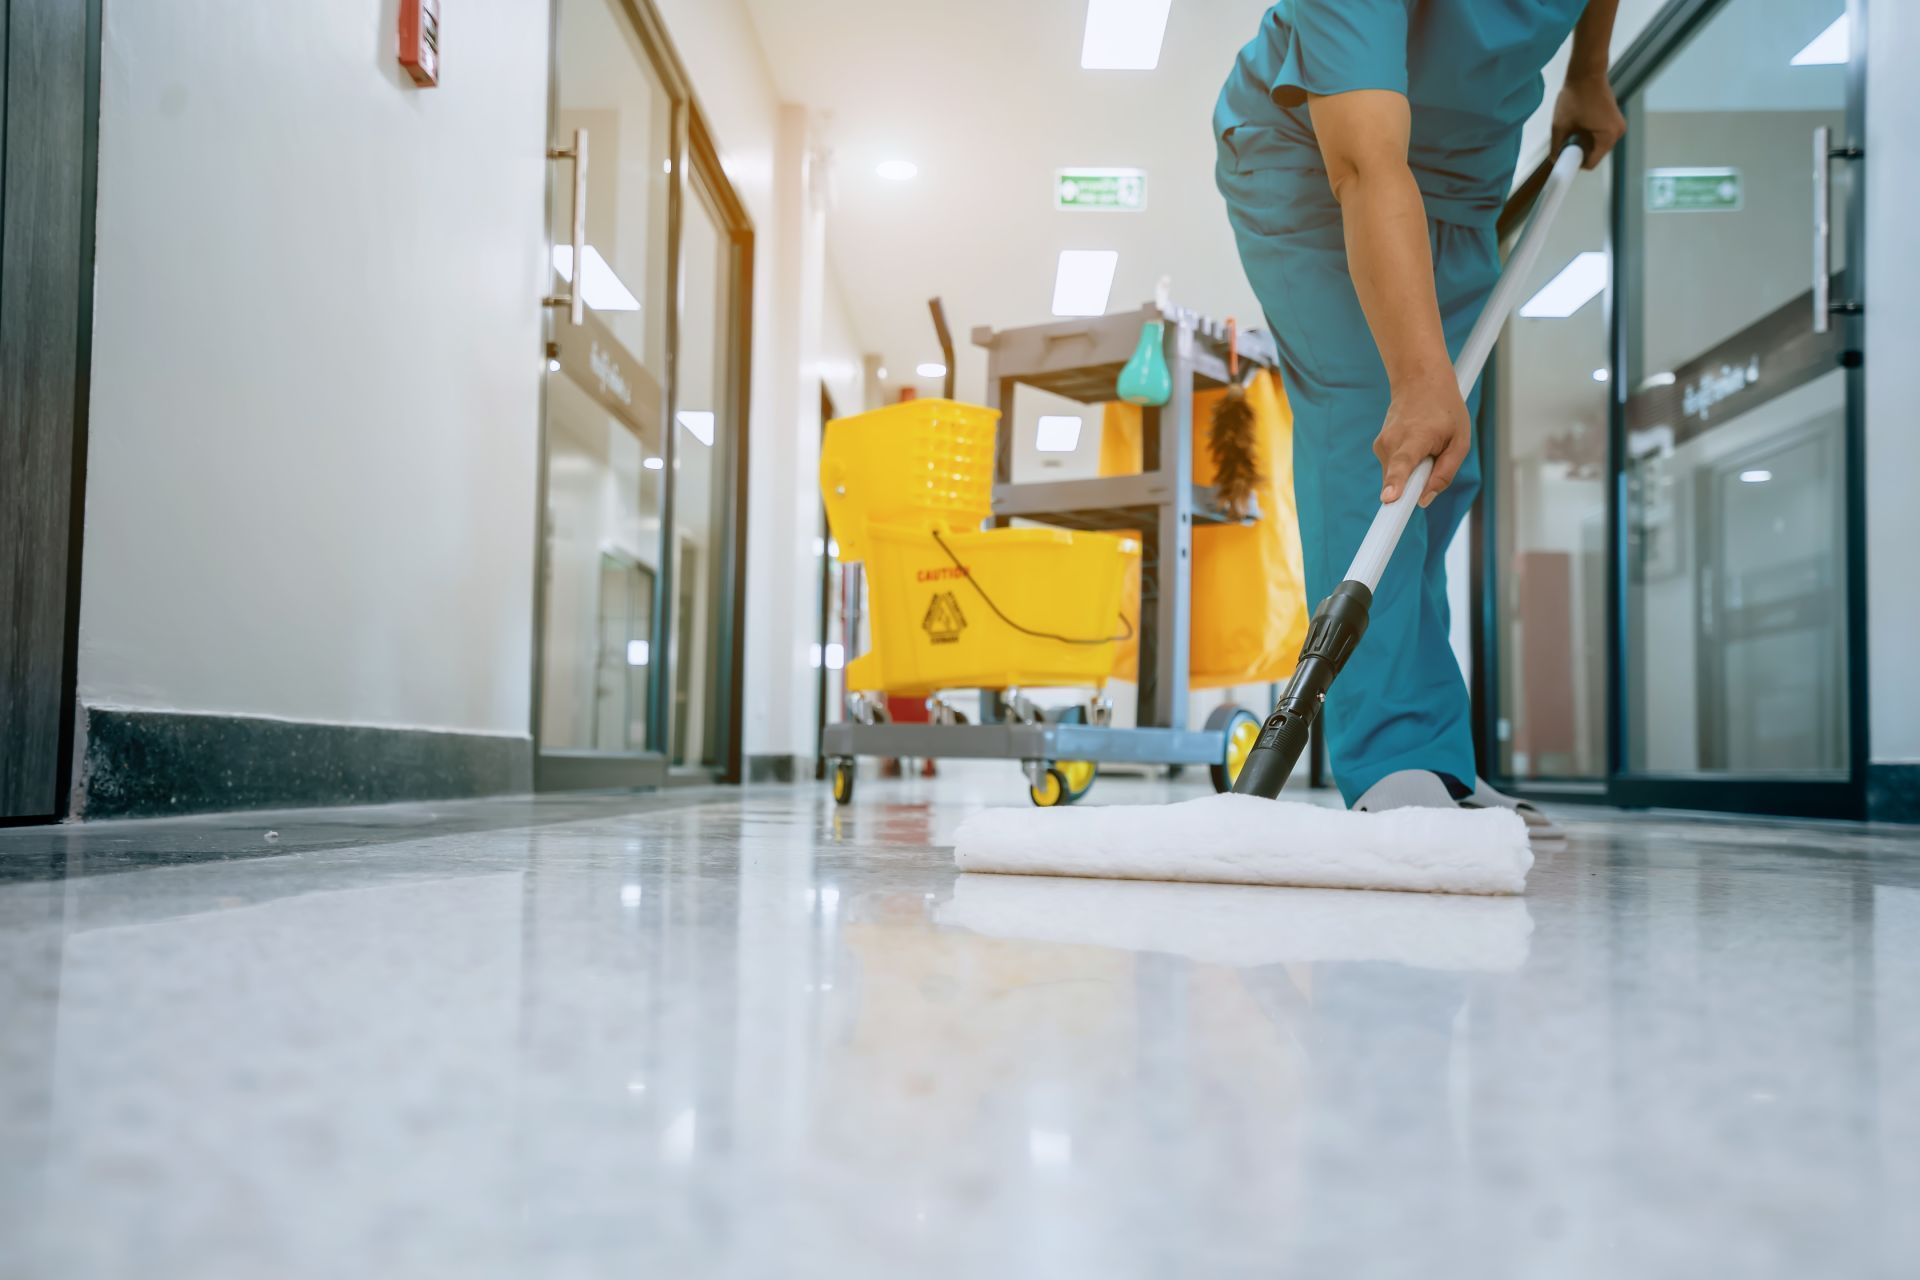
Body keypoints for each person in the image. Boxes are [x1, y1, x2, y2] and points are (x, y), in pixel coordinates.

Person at [1215, 0, 1623, 831]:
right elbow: (1365, 169)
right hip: (1313, 160)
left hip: (1465, 182)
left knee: (1444, 471)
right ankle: (1395, 762)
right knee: (1380, 437)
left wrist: (1587, 73)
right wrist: (1417, 379)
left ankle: (1435, 757)